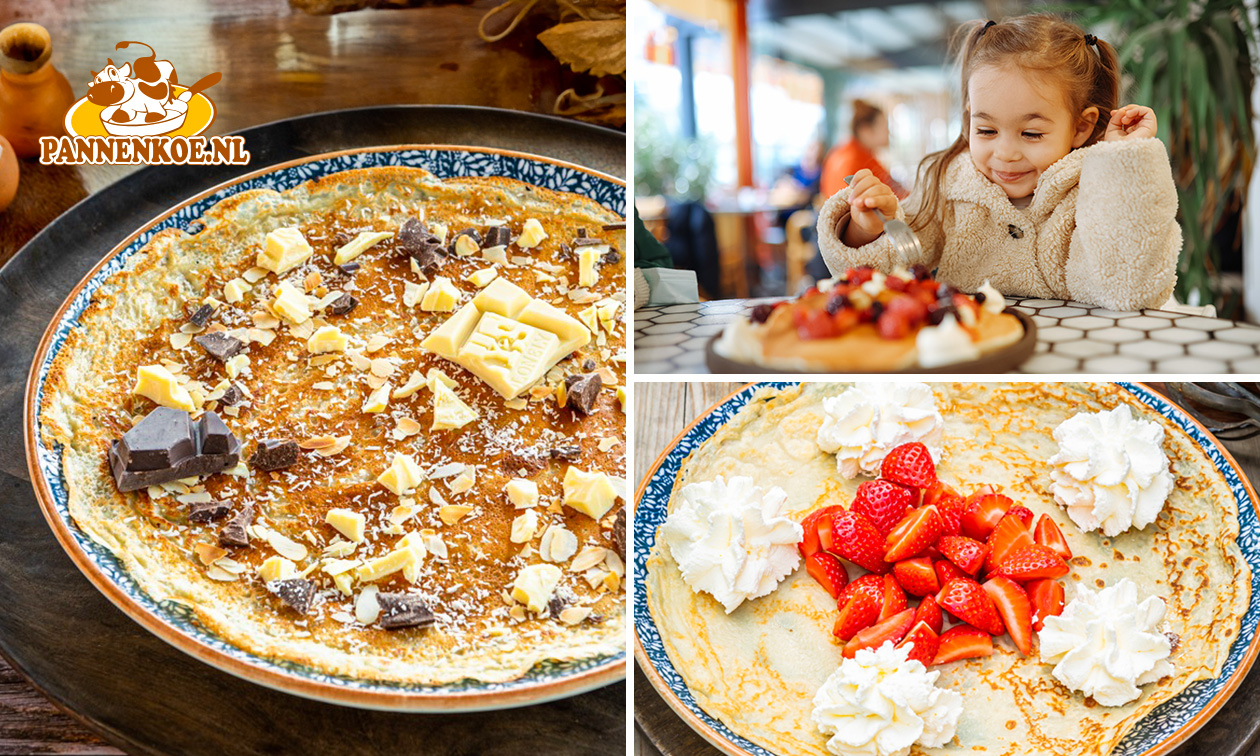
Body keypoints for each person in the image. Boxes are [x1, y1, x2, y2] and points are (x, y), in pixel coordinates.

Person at [818, 15, 1179, 312]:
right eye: (987, 130)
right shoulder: (947, 186)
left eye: (1031, 134)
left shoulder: (1094, 189)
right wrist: (865, 230)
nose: (1005, 153)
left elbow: (1127, 287)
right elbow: (888, 273)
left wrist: (1121, 164)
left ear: (1081, 127)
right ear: (969, 119)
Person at [820, 99, 907, 201]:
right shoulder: (856, 161)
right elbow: (895, 195)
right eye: (885, 128)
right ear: (865, 130)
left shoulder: (840, 152)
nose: (890, 133)